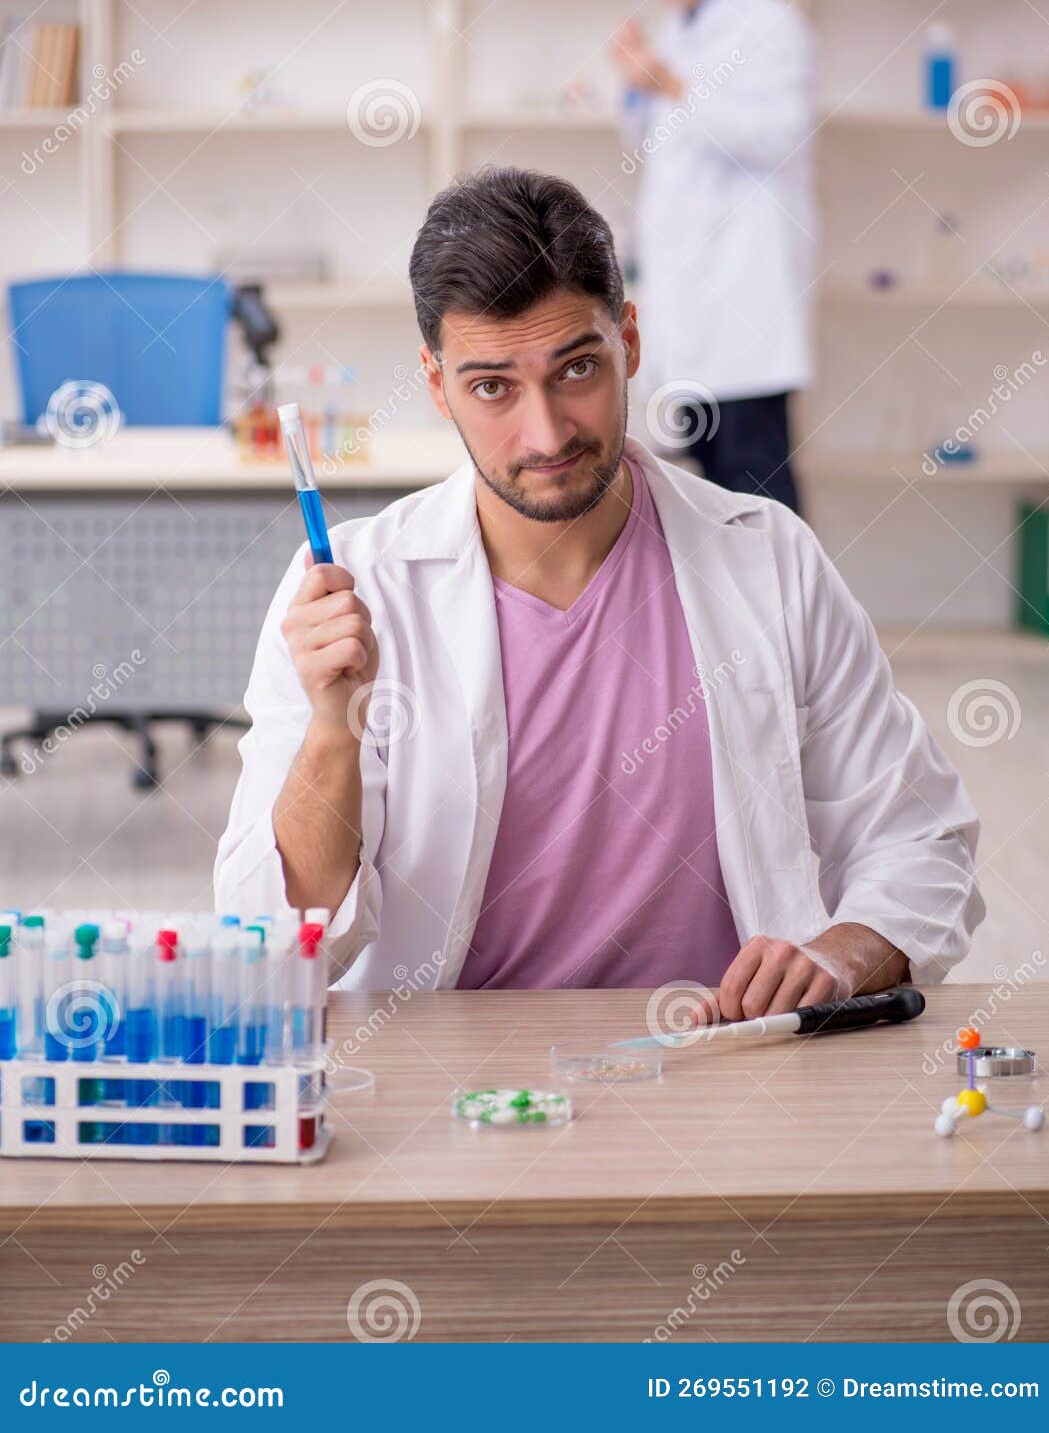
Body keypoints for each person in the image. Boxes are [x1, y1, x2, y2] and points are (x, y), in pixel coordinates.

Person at [215, 167, 981, 1015]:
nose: (544, 434)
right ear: (437, 386)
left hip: (721, 1067)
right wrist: (332, 733)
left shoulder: (769, 561)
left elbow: (918, 836)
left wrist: (849, 950)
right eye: (493, 387)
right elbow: (276, 942)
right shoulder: (354, 590)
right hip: (449, 1083)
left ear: (631, 343)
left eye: (577, 369)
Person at [613, 0, 815, 512]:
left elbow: (775, 135)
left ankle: (784, 611)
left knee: (757, 485)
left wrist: (668, 82)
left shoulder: (770, 25)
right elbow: (656, 144)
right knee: (699, 486)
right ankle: (719, 612)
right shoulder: (682, 27)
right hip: (688, 300)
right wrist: (636, 85)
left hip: (745, 299)